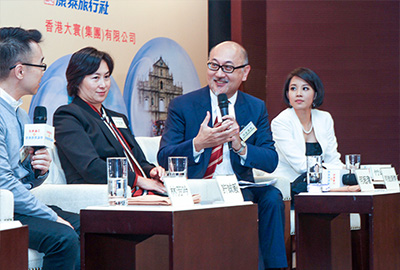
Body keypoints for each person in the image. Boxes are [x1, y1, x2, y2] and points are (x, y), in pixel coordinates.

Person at [157, 41, 287, 270]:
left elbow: (270, 160)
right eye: (213, 65)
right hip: (197, 187)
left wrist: (239, 145)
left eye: (227, 68)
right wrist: (198, 144)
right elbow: (164, 156)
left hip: (239, 187)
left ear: (244, 72)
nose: (218, 74)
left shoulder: (255, 108)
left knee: (272, 197)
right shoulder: (183, 105)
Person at [0, 27, 80, 269]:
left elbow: (24, 180)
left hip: (15, 207)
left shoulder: (21, 114)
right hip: (3, 210)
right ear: (20, 70)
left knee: (88, 224)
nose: (43, 72)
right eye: (41, 65)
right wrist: (51, 216)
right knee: (63, 237)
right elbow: (3, 182)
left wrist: (39, 172)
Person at [53, 47, 166, 196]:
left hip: (138, 189)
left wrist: (151, 170)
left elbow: (138, 159)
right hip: (104, 194)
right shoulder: (68, 115)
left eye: (106, 77)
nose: (103, 84)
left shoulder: (117, 118)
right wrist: (137, 180)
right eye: (95, 78)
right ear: (77, 81)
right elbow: (90, 167)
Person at [271, 67, 359, 206]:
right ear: (287, 94)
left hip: (321, 182)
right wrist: (330, 173)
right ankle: (344, 190)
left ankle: (344, 189)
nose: (298, 94)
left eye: (305, 89)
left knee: (353, 178)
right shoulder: (280, 122)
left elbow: (333, 158)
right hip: (295, 186)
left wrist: (344, 174)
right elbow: (300, 166)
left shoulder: (324, 118)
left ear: (316, 94)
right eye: (293, 89)